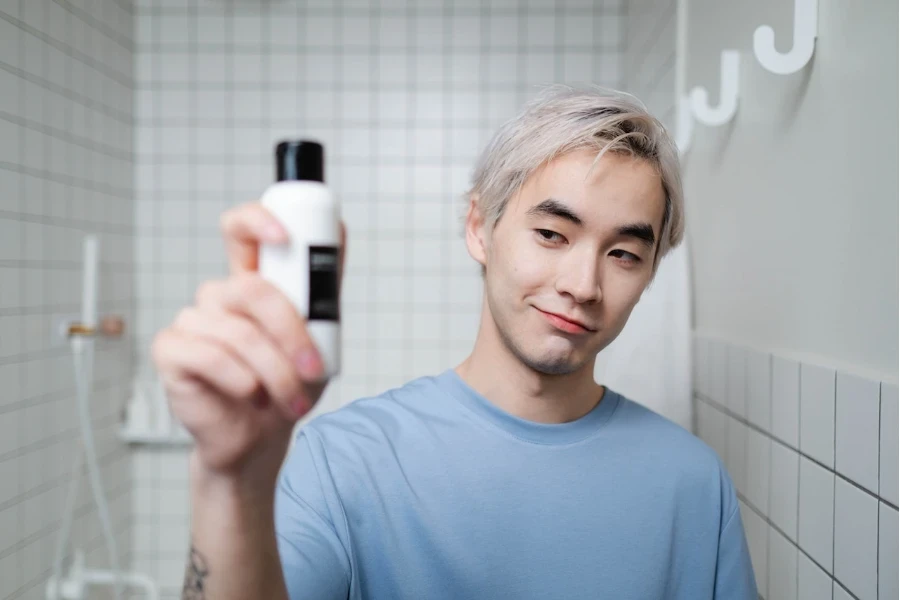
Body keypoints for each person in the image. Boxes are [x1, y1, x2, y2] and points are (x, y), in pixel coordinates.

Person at [153, 86, 757, 600]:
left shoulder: (694, 486)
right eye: (551, 234)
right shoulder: (342, 463)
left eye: (623, 254)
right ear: (479, 228)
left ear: (650, 273)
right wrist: (229, 480)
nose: (583, 285)